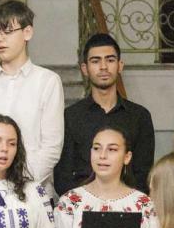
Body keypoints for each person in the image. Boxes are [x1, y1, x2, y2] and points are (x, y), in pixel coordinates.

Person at [0, 0, 64, 191]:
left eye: (7, 32)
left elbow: (51, 147)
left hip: (32, 189)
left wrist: (17, 183)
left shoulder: (48, 81)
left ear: (27, 32)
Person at [55, 33, 155, 195]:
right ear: (85, 69)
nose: (103, 67)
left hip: (128, 205)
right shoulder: (70, 116)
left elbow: (144, 174)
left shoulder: (140, 116)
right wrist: (87, 202)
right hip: (81, 204)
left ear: (120, 65)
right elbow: (63, 177)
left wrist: (122, 202)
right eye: (95, 61)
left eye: (110, 60)